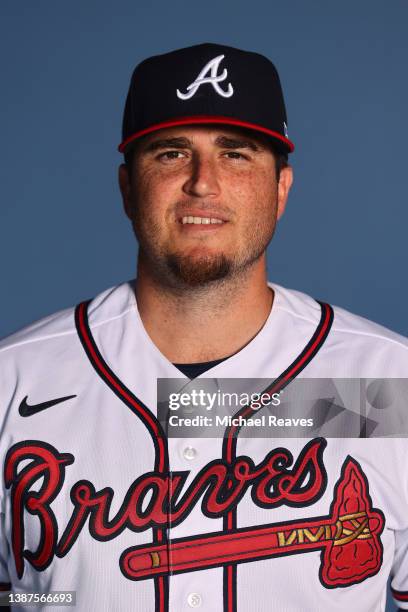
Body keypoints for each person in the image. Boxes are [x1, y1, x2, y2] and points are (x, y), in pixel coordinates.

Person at [0, 42, 407, 612]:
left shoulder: (389, 385)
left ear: (281, 189)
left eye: (236, 154)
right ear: (126, 188)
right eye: (170, 153)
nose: (202, 183)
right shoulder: (13, 381)